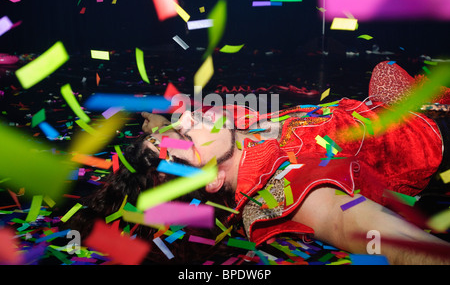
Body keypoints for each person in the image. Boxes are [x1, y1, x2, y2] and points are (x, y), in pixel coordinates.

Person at [67, 61, 450, 265]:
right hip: (432, 134)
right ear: (212, 181)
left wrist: (157, 126)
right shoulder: (275, 191)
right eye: (183, 136)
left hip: (382, 104)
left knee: (385, 69)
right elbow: (347, 222)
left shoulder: (229, 132)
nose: (186, 120)